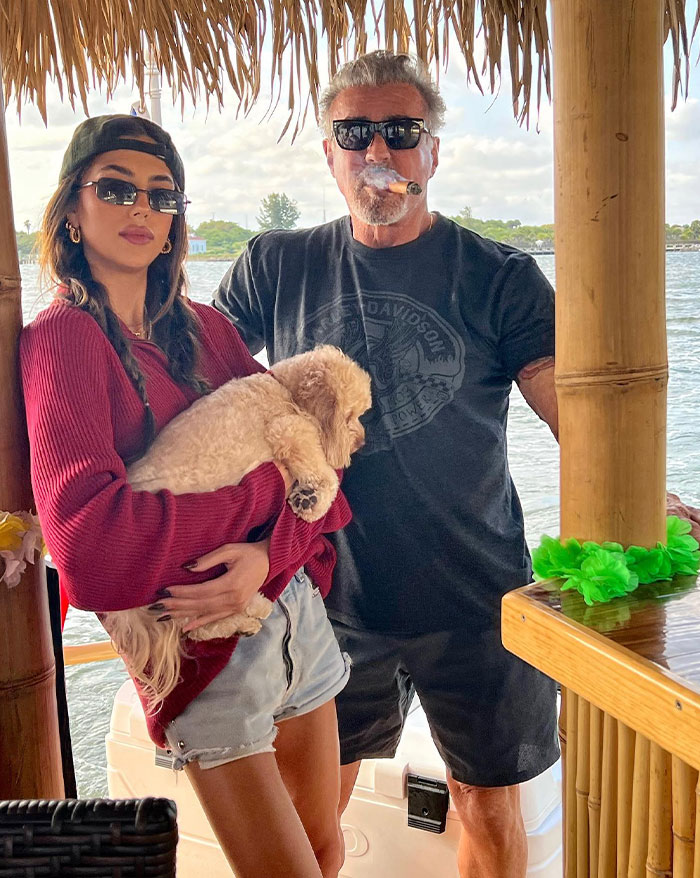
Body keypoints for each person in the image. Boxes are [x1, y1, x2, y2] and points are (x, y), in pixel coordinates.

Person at [213, 50, 559, 878]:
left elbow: (570, 413)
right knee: (310, 813)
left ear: (434, 152)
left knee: (488, 804)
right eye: (354, 132)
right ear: (328, 155)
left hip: (478, 593)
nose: (379, 151)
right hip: (327, 592)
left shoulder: (501, 275)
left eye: (403, 131)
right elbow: (198, 391)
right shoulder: (276, 263)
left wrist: (640, 493)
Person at [20, 114, 352, 878]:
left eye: (161, 197)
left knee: (327, 850)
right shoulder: (65, 340)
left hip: (290, 608)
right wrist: (269, 490)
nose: (142, 210)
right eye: (116, 189)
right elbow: (93, 551)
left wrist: (268, 557)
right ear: (72, 209)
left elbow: (326, 485)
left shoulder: (205, 328)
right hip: (200, 649)